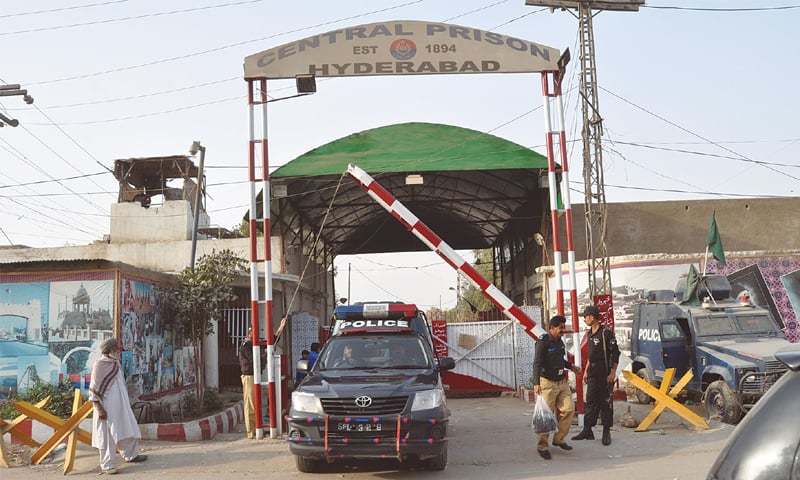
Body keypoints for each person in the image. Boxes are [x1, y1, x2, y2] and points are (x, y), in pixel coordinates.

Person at [89, 338, 147, 475]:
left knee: (128, 428)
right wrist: (99, 408)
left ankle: (131, 455)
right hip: (106, 408)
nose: (119, 351)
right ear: (110, 350)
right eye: (117, 349)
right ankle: (107, 465)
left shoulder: (115, 363)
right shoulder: (100, 365)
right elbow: (94, 391)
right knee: (108, 435)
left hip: (121, 406)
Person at [532, 315, 580, 460]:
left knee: (569, 409)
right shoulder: (543, 342)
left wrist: (571, 367)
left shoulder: (559, 342)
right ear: (551, 328)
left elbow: (560, 360)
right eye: (560, 327)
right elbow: (537, 363)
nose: (562, 330)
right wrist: (536, 383)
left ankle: (558, 439)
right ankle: (542, 446)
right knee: (546, 416)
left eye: (563, 327)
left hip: (562, 382)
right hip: (547, 383)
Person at [572, 305, 621, 446]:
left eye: (586, 316)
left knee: (605, 403)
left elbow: (615, 353)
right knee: (590, 402)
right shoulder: (589, 334)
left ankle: (606, 431)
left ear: (593, 317)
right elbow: (590, 356)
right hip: (592, 374)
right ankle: (588, 430)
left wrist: (612, 372)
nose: (584, 319)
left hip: (605, 374)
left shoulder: (606, 333)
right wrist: (586, 371)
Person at [240, 329, 267, 439]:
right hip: (249, 376)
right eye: (253, 332)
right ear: (249, 333)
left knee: (256, 403)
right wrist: (264, 355)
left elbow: (271, 341)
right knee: (250, 403)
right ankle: (250, 431)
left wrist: (280, 328)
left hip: (256, 375)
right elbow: (253, 359)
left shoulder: (254, 344)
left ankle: (256, 428)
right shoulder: (246, 345)